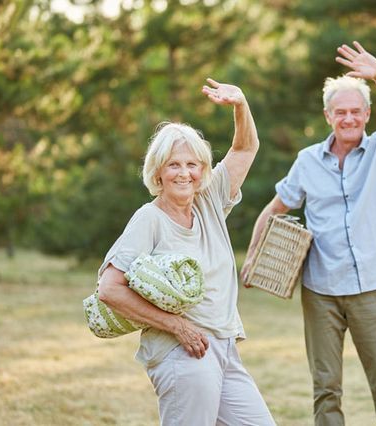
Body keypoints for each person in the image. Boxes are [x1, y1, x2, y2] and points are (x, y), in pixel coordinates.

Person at [241, 42, 376, 426]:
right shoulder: (307, 161)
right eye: (340, 112)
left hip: (371, 288)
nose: (348, 118)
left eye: (355, 111)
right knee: (326, 388)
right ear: (327, 116)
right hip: (320, 291)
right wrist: (252, 257)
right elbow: (273, 209)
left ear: (367, 114)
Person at [97, 78, 275, 426]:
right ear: (158, 172)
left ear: (203, 171)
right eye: (174, 164)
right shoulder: (149, 218)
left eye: (192, 164)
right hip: (183, 352)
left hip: (223, 346)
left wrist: (241, 105)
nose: (184, 173)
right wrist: (176, 326)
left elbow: (244, 149)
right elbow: (109, 288)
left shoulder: (210, 200)